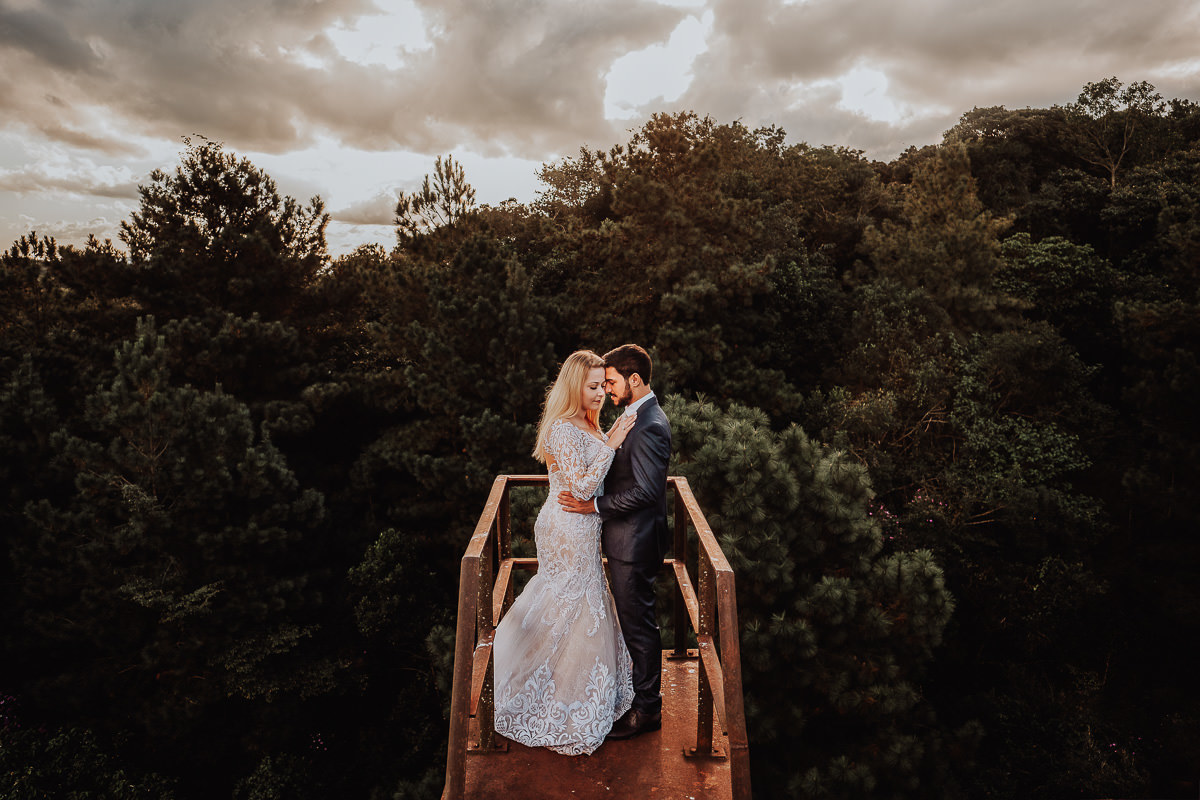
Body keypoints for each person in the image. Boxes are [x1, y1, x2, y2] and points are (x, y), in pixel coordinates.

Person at [492, 350, 639, 755]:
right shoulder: (561, 428)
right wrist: (612, 443)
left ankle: (575, 691)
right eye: (591, 386)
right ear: (574, 387)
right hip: (566, 526)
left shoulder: (588, 424)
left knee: (580, 601)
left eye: (601, 385)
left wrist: (606, 440)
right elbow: (582, 488)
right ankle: (550, 699)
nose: (599, 393)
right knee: (570, 598)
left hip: (584, 526)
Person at [557, 344, 672, 740]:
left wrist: (593, 507)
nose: (606, 390)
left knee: (638, 626)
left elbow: (645, 491)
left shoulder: (651, 424)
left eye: (611, 382)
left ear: (634, 380)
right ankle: (638, 698)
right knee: (634, 623)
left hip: (634, 544)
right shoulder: (634, 417)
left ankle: (646, 710)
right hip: (625, 540)